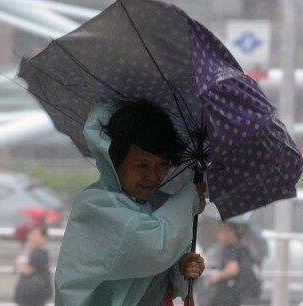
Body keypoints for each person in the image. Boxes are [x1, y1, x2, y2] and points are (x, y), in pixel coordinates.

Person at [55, 101, 206, 305]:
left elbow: (160, 277)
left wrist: (181, 270)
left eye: (162, 164)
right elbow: (154, 251)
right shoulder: (95, 205)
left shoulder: (157, 207)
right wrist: (189, 199)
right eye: (142, 165)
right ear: (115, 161)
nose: (153, 176)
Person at [208, 222, 262, 306]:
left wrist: (217, 276)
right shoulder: (244, 248)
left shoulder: (230, 248)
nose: (217, 234)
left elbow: (233, 269)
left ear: (229, 232)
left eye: (220, 230)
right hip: (248, 294)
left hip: (233, 294)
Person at [14, 222, 53, 306]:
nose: (31, 236)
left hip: (34, 295)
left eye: (35, 234)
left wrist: (20, 264)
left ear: (44, 238)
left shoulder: (40, 254)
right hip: (33, 295)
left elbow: (30, 270)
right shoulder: (33, 252)